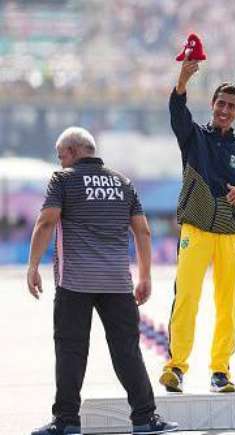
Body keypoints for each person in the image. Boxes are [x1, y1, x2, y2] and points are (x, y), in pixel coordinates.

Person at [27, 127, 177, 435]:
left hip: (74, 282)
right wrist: (145, 275)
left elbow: (46, 222)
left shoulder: (63, 180)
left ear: (71, 152)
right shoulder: (123, 183)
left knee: (71, 350)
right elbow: (143, 231)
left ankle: (67, 420)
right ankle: (145, 418)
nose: (60, 162)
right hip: (118, 283)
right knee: (127, 350)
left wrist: (32, 266)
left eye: (61, 156)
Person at [159, 54, 235, 393]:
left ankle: (220, 370)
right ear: (212, 105)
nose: (225, 110)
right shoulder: (194, 138)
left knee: (227, 303)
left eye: (232, 106)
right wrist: (182, 81)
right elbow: (177, 113)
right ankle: (175, 366)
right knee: (186, 297)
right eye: (220, 103)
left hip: (232, 235)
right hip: (197, 229)